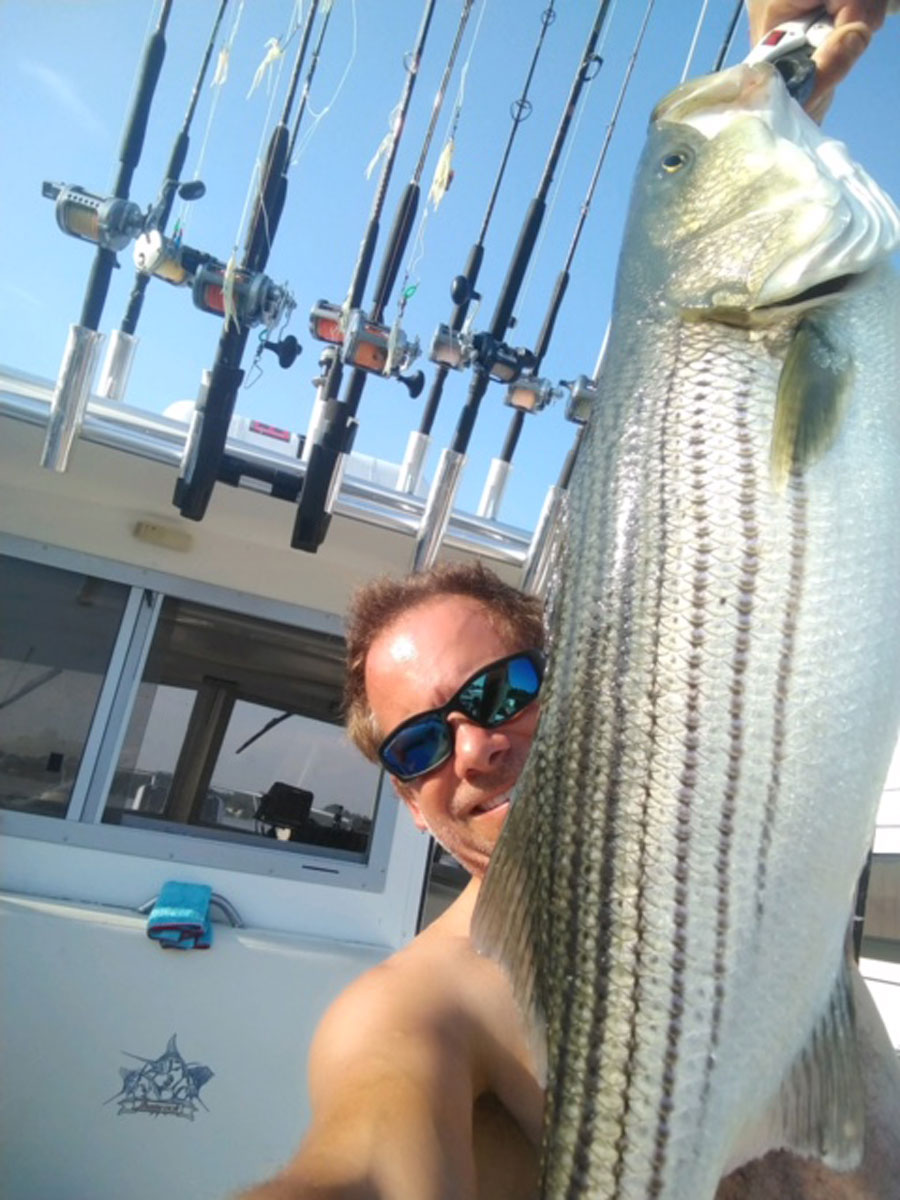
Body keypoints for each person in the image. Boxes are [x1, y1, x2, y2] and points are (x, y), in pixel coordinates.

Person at [237, 4, 896, 1195]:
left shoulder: (719, 822)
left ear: (584, 672)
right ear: (405, 796)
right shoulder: (423, 1012)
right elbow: (361, 1160)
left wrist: (778, 86)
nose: (478, 744)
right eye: (422, 741)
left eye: (504, 686)